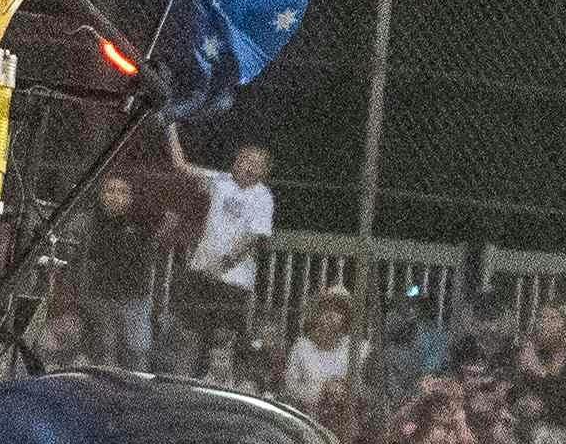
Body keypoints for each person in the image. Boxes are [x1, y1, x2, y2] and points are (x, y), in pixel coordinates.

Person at [164, 124, 271, 348]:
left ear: (264, 172)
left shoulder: (263, 196)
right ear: (236, 161)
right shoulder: (220, 180)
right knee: (190, 332)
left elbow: (252, 238)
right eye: (245, 160)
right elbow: (182, 167)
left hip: (234, 280)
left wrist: (223, 264)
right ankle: (186, 381)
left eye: (256, 164)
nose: (249, 167)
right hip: (201, 269)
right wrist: (171, 129)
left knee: (223, 340)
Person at [75, 173, 159, 367]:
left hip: (134, 298)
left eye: (121, 192)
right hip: (100, 298)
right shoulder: (89, 224)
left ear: (130, 198)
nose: (115, 196)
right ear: (101, 194)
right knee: (106, 349)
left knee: (138, 354)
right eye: (110, 191)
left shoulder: (141, 226)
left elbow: (145, 264)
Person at [280, 285, 356, 411]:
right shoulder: (302, 347)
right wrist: (322, 390)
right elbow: (290, 388)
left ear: (346, 318)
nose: (330, 315)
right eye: (326, 308)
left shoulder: (353, 349)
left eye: (338, 310)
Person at [513, 303, 566, 426]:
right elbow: (516, 393)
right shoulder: (536, 355)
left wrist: (538, 370)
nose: (543, 324)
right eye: (542, 318)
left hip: (559, 428)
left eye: (552, 319)